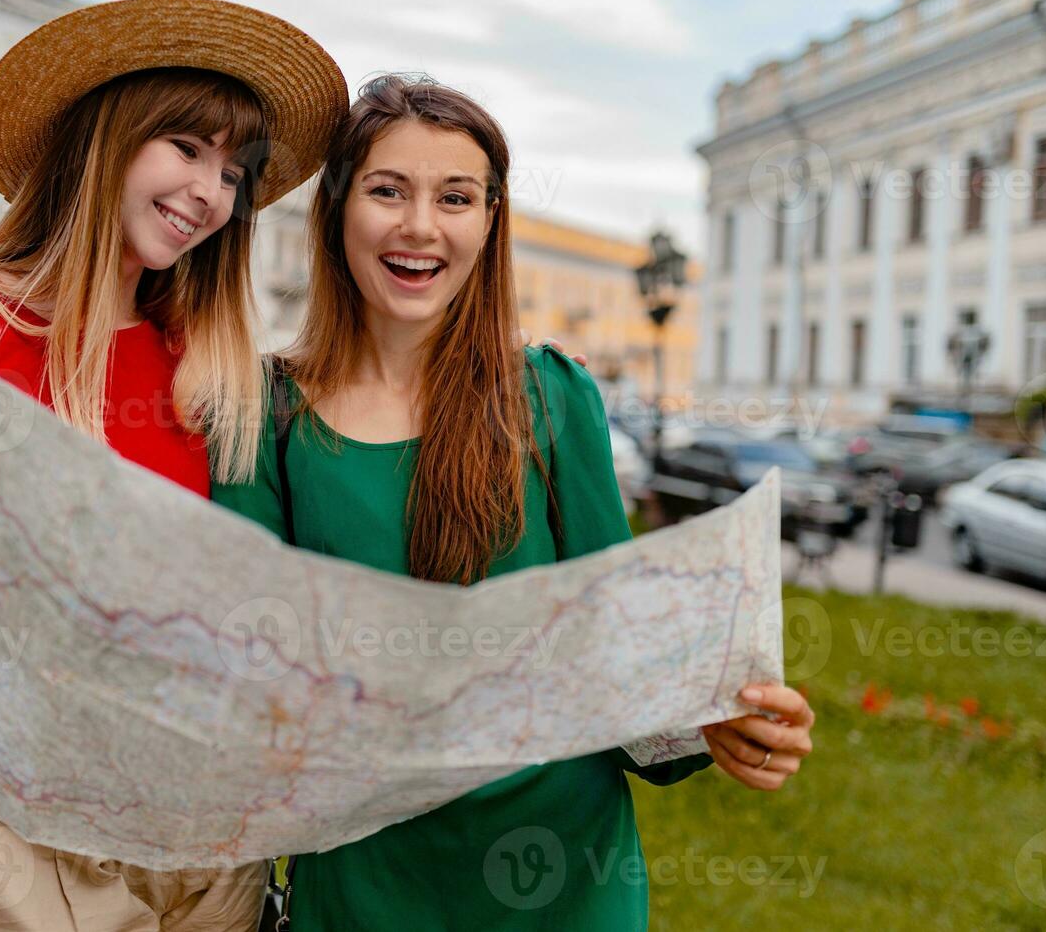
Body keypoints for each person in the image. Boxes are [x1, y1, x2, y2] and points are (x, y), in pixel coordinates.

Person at [0, 0, 347, 932]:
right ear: (106, 140)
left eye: (235, 172)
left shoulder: (210, 370)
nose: (211, 192)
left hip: (187, 836)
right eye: (187, 147)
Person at [212, 73, 816, 930]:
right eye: (388, 191)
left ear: (490, 221)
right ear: (338, 207)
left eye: (456, 197)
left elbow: (621, 643)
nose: (421, 226)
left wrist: (713, 721)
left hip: (564, 875)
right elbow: (248, 675)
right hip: (367, 878)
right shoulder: (264, 413)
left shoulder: (551, 393)